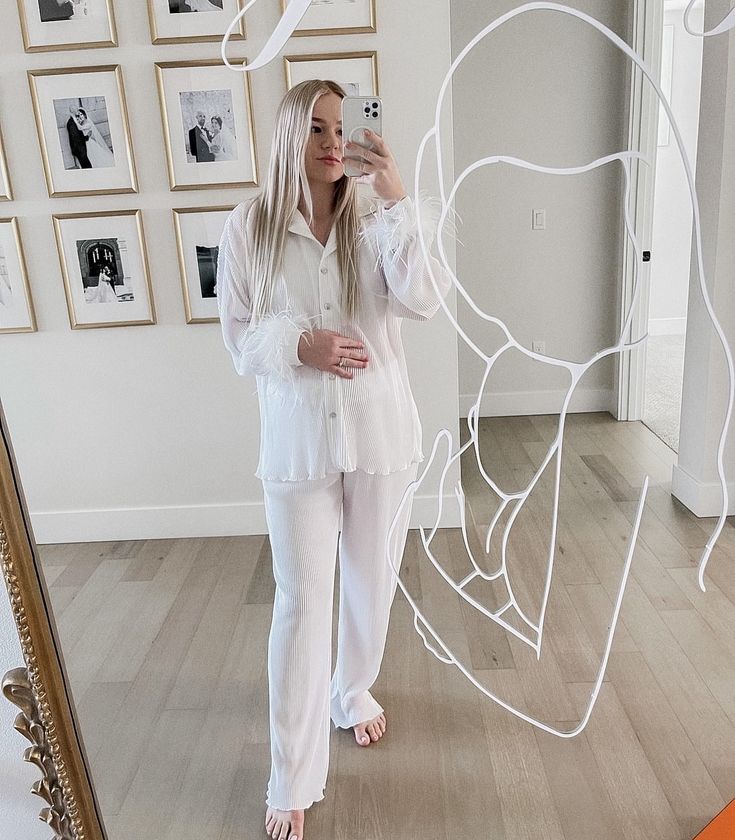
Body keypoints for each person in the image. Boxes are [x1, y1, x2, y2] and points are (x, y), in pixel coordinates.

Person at [216, 79, 450, 840]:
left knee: (371, 583)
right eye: (316, 127)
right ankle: (291, 775)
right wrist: (300, 344)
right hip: (297, 444)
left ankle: (352, 691)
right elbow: (239, 340)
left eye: (341, 127)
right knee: (299, 602)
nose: (330, 140)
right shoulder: (248, 228)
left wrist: (396, 191)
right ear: (290, 134)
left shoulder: (376, 217)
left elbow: (422, 299)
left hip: (379, 433)